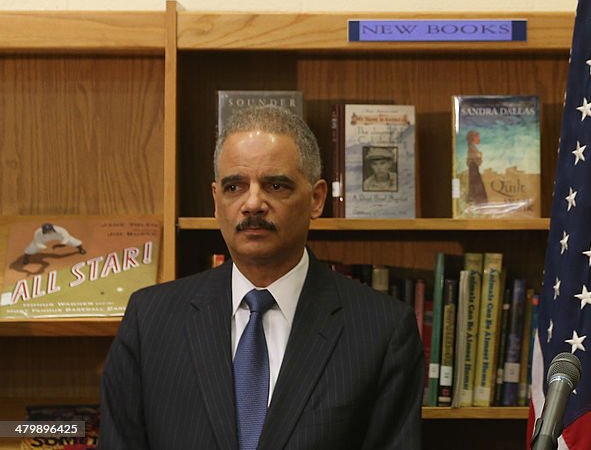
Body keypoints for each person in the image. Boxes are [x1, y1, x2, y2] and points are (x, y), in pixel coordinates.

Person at [100, 105, 423, 449]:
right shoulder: (150, 321)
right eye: (234, 187)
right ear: (215, 201)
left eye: (276, 185)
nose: (253, 204)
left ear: (316, 199)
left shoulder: (382, 330)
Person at [21, 222, 87, 265]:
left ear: (52, 228)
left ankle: (81, 248)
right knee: (32, 247)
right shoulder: (38, 233)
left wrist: (59, 245)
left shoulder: (60, 230)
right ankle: (26, 257)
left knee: (72, 240)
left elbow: (66, 238)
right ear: (43, 230)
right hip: (44, 238)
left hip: (57, 235)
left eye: (50, 230)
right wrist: (45, 248)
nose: (49, 231)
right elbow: (37, 242)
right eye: (47, 231)